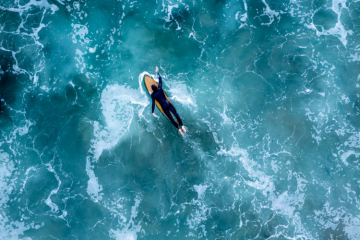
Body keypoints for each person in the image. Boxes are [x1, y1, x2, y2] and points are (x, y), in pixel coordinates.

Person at [151, 66, 187, 134]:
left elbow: (153, 103)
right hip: (167, 103)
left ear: (152, 90)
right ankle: (182, 126)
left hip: (163, 107)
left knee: (171, 118)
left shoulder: (153, 95)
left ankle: (178, 129)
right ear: (156, 87)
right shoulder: (160, 89)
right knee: (175, 114)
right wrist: (157, 72)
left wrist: (153, 112)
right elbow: (160, 79)